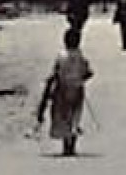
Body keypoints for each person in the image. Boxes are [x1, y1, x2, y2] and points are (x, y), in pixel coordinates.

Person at [37, 27, 93, 157]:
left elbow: (55, 73)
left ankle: (65, 143)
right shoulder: (81, 56)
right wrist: (81, 79)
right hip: (77, 90)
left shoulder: (61, 56)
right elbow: (89, 72)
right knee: (75, 116)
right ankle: (72, 142)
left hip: (62, 90)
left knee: (63, 116)